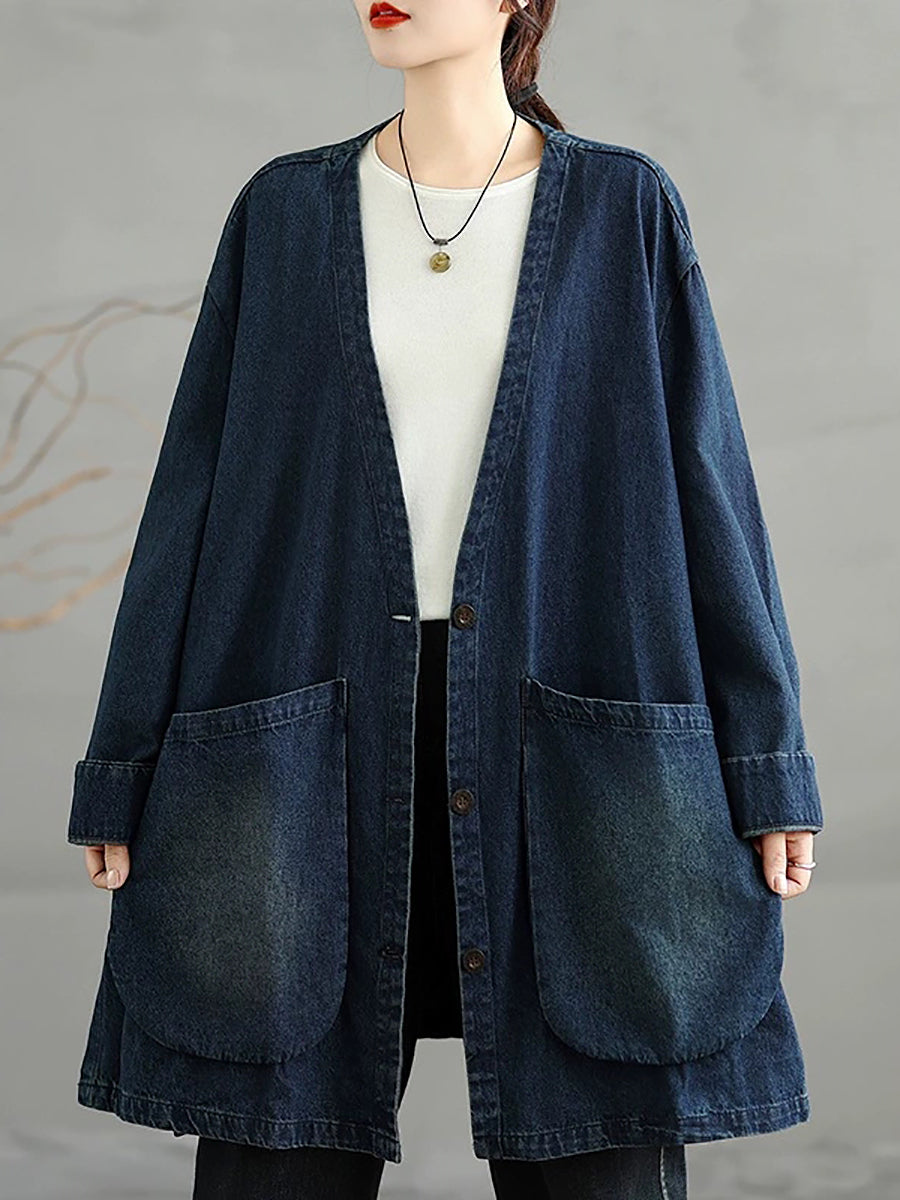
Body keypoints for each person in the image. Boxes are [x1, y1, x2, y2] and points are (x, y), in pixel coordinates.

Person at [69, 2, 823, 1197]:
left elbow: (712, 499)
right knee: (273, 1150)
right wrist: (125, 761)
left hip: (571, 761)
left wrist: (766, 765)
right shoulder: (284, 212)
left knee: (598, 1148)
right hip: (303, 757)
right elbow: (188, 508)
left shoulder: (624, 209)